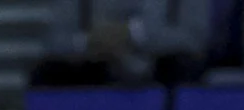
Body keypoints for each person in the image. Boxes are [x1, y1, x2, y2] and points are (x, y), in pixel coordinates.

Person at [42, 0, 214, 81]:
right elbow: (56, 41)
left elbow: (195, 38)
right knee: (52, 72)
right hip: (94, 62)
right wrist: (89, 41)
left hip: (162, 64)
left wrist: (132, 33)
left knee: (180, 66)